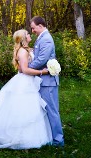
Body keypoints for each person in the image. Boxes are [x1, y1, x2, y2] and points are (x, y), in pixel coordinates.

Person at [28, 16, 64, 147]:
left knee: (52, 110)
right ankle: (50, 136)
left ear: (40, 26)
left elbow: (42, 59)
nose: (32, 31)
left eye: (33, 28)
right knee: (47, 110)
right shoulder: (41, 38)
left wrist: (26, 68)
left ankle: (58, 140)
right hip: (43, 80)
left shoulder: (47, 39)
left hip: (48, 81)